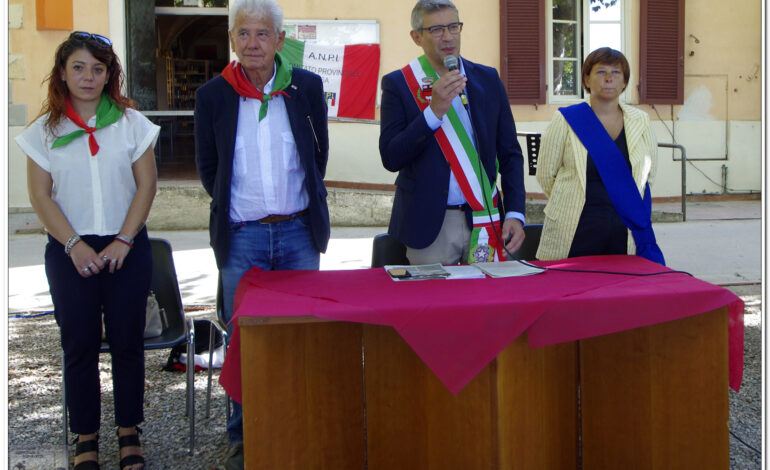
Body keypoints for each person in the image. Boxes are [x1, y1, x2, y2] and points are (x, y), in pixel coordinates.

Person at [194, 0, 330, 468]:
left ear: (278, 39)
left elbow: (318, 158)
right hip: (242, 239)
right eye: (244, 34)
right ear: (233, 40)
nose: (252, 43)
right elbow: (209, 168)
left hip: (297, 236)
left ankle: (296, 425)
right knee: (243, 342)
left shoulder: (306, 87)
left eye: (262, 34)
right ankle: (243, 436)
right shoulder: (213, 94)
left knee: (300, 337)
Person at [15, 32, 158, 470]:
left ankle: (129, 432)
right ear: (62, 73)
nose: (88, 77)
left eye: (97, 68)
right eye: (78, 67)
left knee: (127, 342)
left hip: (126, 244)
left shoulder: (132, 124)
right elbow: (41, 197)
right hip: (68, 248)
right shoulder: (43, 131)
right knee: (78, 344)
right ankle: (86, 436)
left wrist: (124, 240)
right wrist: (73, 245)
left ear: (109, 74)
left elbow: (147, 185)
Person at [379, 0, 526, 266]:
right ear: (416, 37)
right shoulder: (399, 84)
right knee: (433, 305)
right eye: (436, 29)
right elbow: (391, 157)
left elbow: (511, 154)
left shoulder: (488, 79)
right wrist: (432, 113)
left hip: (485, 217)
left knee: (488, 303)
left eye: (453, 27)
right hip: (430, 225)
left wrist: (515, 212)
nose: (447, 37)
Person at [535, 47, 664, 264]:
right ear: (586, 79)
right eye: (600, 72)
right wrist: (569, 199)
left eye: (616, 73)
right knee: (570, 290)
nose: (608, 79)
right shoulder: (565, 119)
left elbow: (647, 176)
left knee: (621, 291)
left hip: (625, 226)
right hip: (575, 225)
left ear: (624, 82)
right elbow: (546, 174)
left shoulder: (641, 121)